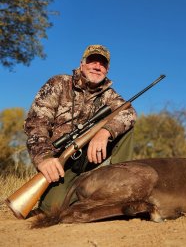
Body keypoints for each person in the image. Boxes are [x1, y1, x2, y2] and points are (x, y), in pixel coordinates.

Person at [24, 44, 137, 215]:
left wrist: (105, 131)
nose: (97, 66)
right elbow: (35, 124)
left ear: (107, 69)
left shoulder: (109, 95)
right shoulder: (58, 83)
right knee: (53, 209)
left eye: (102, 64)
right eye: (92, 61)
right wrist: (44, 158)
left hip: (88, 160)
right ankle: (90, 195)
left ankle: (122, 189)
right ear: (82, 64)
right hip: (59, 163)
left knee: (126, 128)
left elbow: (129, 112)